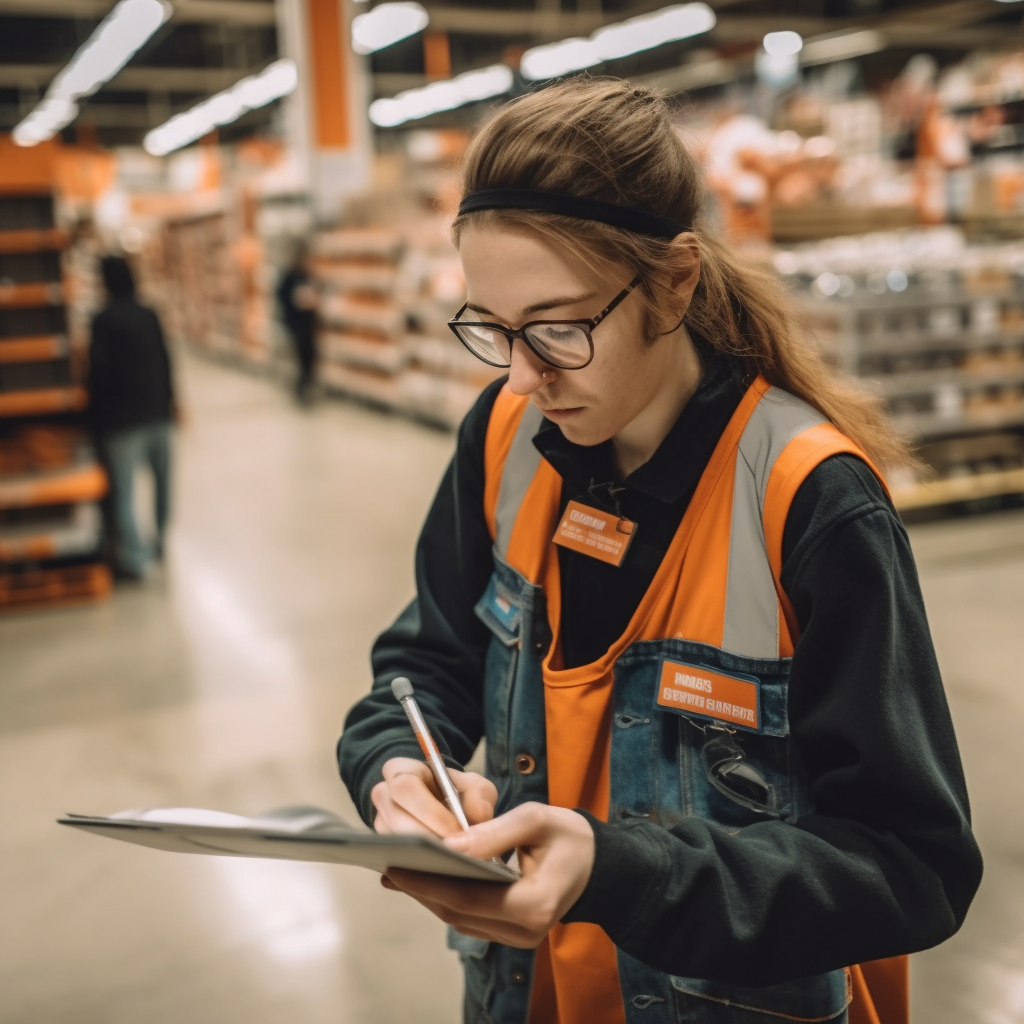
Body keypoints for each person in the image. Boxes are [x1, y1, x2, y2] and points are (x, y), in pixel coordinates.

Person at [338, 79, 982, 1024]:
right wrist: (399, 773)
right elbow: (421, 666)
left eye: (559, 328)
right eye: (494, 330)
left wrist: (620, 872)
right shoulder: (506, 435)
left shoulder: (808, 500)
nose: (523, 373)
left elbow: (911, 867)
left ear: (673, 282)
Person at [88, 255, 176, 581]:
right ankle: (161, 539)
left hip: (121, 421)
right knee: (163, 483)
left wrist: (93, 418)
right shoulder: (149, 314)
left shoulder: (102, 320)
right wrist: (172, 401)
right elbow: (166, 359)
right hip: (157, 412)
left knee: (124, 491)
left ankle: (135, 559)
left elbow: (98, 372)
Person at [276, 244, 319, 403]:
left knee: (310, 358)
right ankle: (300, 389)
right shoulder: (289, 277)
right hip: (296, 324)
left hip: (308, 325)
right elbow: (281, 297)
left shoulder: (308, 276)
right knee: (300, 359)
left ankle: (307, 386)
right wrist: (294, 304)